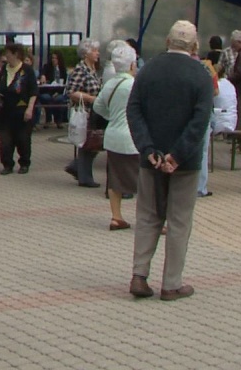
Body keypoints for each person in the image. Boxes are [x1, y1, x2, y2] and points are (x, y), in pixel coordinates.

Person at [127, 20, 215, 301]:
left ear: (167, 41)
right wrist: (177, 155)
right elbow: (200, 120)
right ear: (195, 45)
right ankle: (171, 284)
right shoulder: (201, 75)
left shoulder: (148, 70)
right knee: (179, 221)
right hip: (184, 163)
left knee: (147, 216)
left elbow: (134, 110)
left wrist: (147, 148)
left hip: (150, 158)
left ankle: (139, 275)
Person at [95, 43, 138, 230]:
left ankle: (116, 217)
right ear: (132, 65)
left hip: (112, 136)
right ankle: (150, 219)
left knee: (115, 178)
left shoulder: (109, 84)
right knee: (144, 180)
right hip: (133, 137)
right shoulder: (134, 85)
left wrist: (111, 116)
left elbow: (97, 106)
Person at [65, 38, 103, 187]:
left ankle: (76, 167)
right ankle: (84, 176)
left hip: (95, 112)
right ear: (86, 53)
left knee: (93, 142)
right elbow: (71, 91)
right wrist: (91, 98)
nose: (97, 53)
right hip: (85, 112)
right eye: (94, 50)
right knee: (88, 144)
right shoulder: (80, 70)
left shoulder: (93, 69)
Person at [0, 43, 38, 175]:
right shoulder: (4, 69)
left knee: (22, 138)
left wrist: (29, 109)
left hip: (22, 109)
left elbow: (33, 91)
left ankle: (24, 163)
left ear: (15, 54)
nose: (6, 56)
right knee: (5, 140)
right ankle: (7, 164)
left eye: (8, 53)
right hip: (6, 110)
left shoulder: (27, 70)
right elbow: (1, 88)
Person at [196, 58, 221, 198]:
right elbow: (216, 91)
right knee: (203, 151)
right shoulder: (207, 67)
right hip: (205, 111)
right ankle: (200, 187)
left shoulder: (176, 65)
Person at [39, 50, 69, 127]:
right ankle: (48, 119)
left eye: (56, 58)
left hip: (59, 91)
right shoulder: (47, 67)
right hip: (48, 91)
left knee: (59, 99)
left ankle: (58, 120)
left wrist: (58, 92)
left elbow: (64, 82)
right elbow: (42, 74)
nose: (54, 60)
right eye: (52, 58)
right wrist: (42, 76)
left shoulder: (62, 69)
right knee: (46, 98)